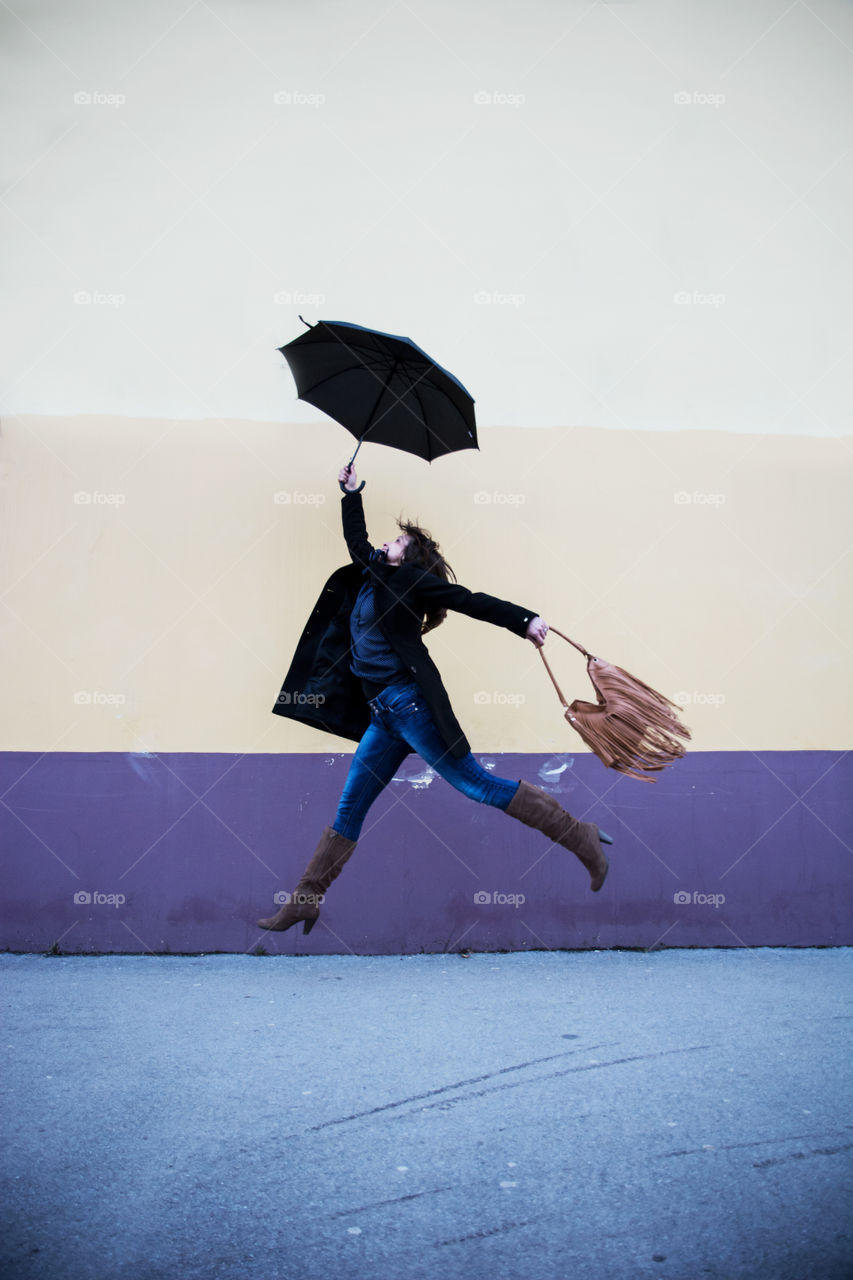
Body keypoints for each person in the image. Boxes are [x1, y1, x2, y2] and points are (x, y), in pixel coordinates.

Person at [257, 464, 613, 935]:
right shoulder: (372, 572)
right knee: (349, 808)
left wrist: (524, 620)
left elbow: (471, 599)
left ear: (409, 558)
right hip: (382, 718)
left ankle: (580, 835)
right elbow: (357, 540)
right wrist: (351, 492)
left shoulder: (411, 583)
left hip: (411, 707)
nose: (388, 542)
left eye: (398, 542)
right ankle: (305, 899)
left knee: (475, 785)